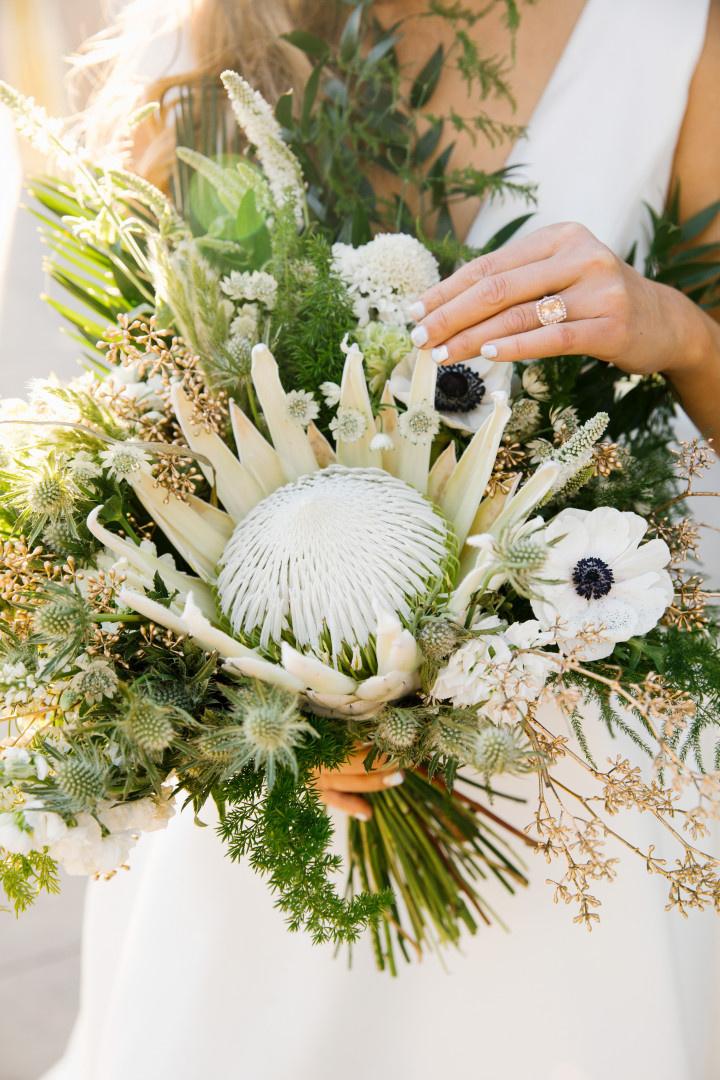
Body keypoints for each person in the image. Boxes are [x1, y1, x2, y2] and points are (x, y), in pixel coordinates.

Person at [46, 3, 720, 1078]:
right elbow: (140, 446)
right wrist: (265, 716)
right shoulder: (213, 44)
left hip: (578, 790)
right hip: (277, 803)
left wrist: (677, 331)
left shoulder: (676, 42)